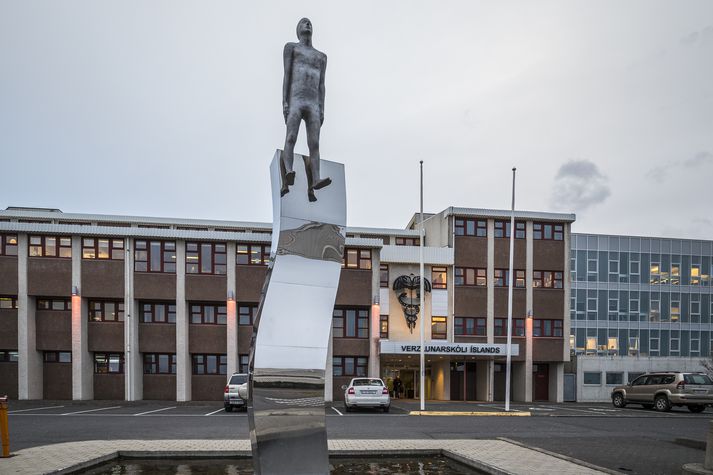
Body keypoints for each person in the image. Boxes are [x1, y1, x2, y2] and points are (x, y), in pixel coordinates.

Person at [280, 18, 331, 202]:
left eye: (309, 23)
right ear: (298, 30)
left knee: (314, 143)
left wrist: (322, 107)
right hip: (296, 99)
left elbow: (322, 85)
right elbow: (287, 75)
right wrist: (284, 102)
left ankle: (316, 179)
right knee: (291, 137)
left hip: (313, 103)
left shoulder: (321, 57)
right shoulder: (291, 48)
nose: (307, 25)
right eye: (303, 23)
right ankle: (289, 171)